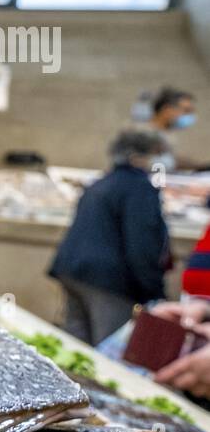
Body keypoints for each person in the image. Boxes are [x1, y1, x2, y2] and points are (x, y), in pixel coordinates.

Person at [48, 129, 170, 345]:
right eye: (155, 153)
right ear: (136, 156)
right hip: (108, 282)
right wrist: (154, 291)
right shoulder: (139, 188)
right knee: (107, 352)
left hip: (73, 271)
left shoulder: (101, 182)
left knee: (76, 347)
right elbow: (142, 244)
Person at [143, 86, 197, 171]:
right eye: (186, 111)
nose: (189, 115)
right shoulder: (142, 133)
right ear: (167, 109)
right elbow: (145, 164)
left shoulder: (166, 133)